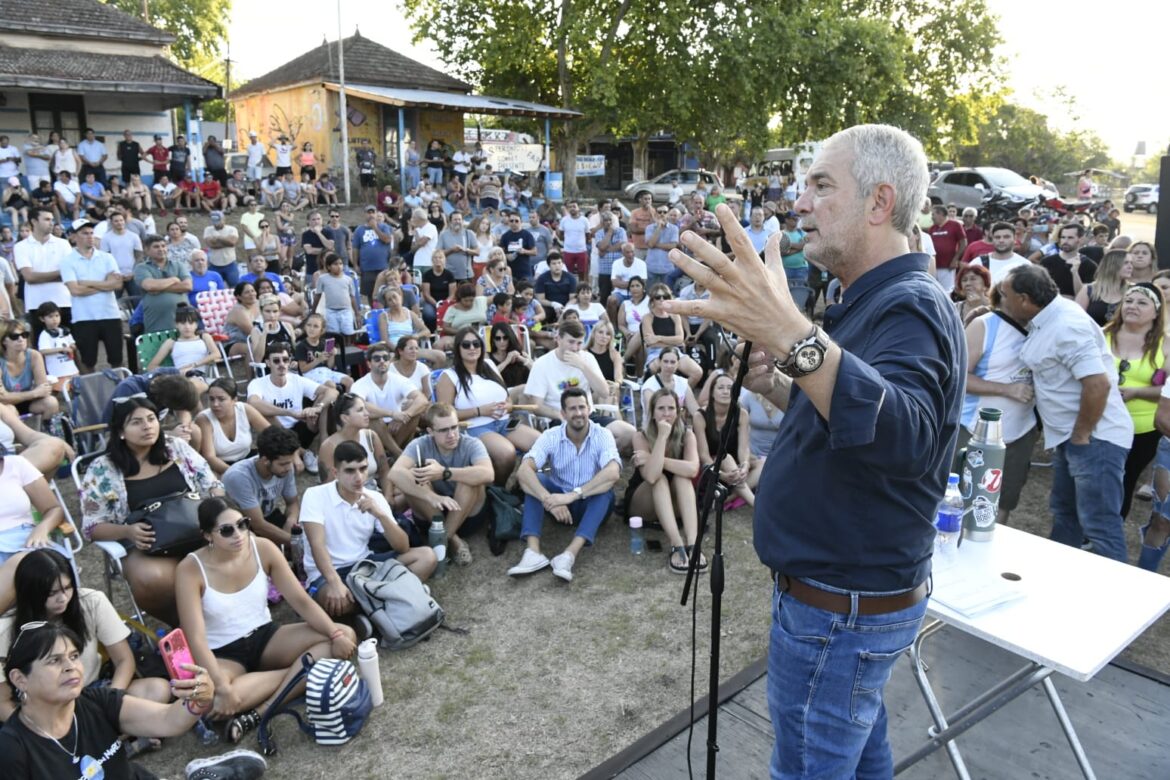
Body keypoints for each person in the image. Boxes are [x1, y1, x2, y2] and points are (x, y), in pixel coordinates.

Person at [662, 125, 965, 778]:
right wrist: (778, 375)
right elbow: (843, 424)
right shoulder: (865, 301)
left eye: (822, 185)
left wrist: (791, 332)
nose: (800, 202)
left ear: (880, 203)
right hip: (834, 608)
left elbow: (904, 435)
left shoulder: (910, 307)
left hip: (840, 615)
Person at [175, 497, 354, 745]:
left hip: (266, 637)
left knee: (344, 635)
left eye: (242, 524)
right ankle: (302, 671)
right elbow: (195, 638)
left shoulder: (263, 548)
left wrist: (334, 635)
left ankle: (260, 711)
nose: (238, 534)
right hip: (223, 655)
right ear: (207, 536)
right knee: (214, 698)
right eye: (227, 530)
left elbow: (301, 601)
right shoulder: (190, 568)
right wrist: (221, 685)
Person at [1001, 264, 1133, 562]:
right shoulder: (1046, 319)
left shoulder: (1066, 325)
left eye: (1006, 296)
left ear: (1024, 299)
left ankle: (1117, 600)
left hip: (1095, 440)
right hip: (1073, 439)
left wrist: (1081, 435)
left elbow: (1097, 384)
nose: (1004, 301)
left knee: (1099, 527)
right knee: (1065, 516)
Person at [0, 622, 229, 780]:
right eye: (54, 661)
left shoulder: (97, 701)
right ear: (20, 679)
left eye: (73, 656)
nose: (70, 667)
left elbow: (167, 720)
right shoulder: (12, 748)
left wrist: (196, 702)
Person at [79, 397, 224, 626]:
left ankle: (224, 615)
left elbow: (212, 485)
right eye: (136, 422)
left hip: (195, 529)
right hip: (147, 543)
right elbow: (92, 527)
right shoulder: (102, 469)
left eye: (151, 419)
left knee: (240, 541)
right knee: (154, 579)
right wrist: (127, 532)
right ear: (121, 432)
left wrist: (215, 509)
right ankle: (187, 626)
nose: (147, 426)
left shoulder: (174, 447)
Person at [0, 550, 172, 723]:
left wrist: (110, 700)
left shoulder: (91, 601)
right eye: (52, 593)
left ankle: (99, 734)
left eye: (67, 588)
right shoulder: (6, 632)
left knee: (157, 689)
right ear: (31, 592)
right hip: (45, 710)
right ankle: (114, 734)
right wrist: (37, 732)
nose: (62, 598)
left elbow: (124, 661)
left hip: (94, 692)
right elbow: (3, 702)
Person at [303, 440, 437, 618]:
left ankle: (373, 609)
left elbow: (402, 547)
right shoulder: (314, 496)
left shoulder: (374, 497)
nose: (358, 477)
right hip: (329, 572)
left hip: (365, 566)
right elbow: (316, 545)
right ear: (335, 473)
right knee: (335, 602)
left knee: (427, 557)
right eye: (350, 471)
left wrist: (380, 514)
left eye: (363, 468)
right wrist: (335, 582)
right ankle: (397, 598)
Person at [508, 388, 620, 582]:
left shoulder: (603, 435)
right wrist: (549, 499)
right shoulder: (551, 435)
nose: (578, 413)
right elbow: (524, 471)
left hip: (589, 501)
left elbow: (613, 472)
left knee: (606, 491)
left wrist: (573, 495)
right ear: (563, 413)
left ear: (589, 409)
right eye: (572, 408)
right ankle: (533, 551)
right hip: (558, 504)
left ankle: (569, 555)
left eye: (582, 407)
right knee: (536, 480)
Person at [389, 403, 494, 566]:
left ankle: (443, 540)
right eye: (444, 430)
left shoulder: (471, 443)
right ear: (430, 431)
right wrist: (431, 497)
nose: (451, 434)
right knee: (415, 475)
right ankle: (453, 539)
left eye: (454, 427)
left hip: (467, 514)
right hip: (432, 515)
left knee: (469, 478)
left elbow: (488, 474)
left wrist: (444, 472)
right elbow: (394, 473)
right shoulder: (420, 444)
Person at [436, 326, 540, 483]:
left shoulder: (489, 365)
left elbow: (507, 398)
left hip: (505, 422)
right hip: (474, 427)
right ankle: (498, 491)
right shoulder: (449, 376)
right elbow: (443, 414)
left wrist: (509, 406)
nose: (472, 348)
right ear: (458, 349)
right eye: (466, 345)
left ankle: (525, 482)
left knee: (542, 444)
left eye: (476, 344)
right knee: (506, 453)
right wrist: (479, 411)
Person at [1103, 283, 1169, 520]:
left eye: (1142, 302)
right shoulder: (1102, 335)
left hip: (1141, 428)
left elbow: (1167, 388)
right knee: (1094, 476)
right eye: (1129, 300)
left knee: (1124, 478)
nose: (1132, 306)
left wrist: (1137, 393)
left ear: (1157, 311)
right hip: (1099, 420)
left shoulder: (1166, 344)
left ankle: (1108, 531)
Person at [626, 387, 703, 574]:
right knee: (659, 479)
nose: (666, 413)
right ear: (652, 412)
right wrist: (662, 436)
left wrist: (655, 459)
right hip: (645, 502)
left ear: (678, 412)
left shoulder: (687, 434)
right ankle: (677, 545)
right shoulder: (640, 436)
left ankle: (693, 545)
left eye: (671, 408)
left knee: (682, 478)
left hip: (675, 502)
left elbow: (693, 469)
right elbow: (651, 475)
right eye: (661, 408)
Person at [246, 342, 338, 473]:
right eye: (276, 361)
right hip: (275, 434)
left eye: (285, 360)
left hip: (299, 430)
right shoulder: (258, 383)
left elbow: (332, 392)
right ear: (268, 363)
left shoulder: (296, 379)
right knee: (265, 412)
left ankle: (321, 441)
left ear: (289, 362)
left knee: (326, 396)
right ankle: (300, 452)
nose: (281, 364)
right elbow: (253, 403)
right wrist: (290, 413)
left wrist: (318, 407)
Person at [351, 341, 428, 457]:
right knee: (373, 418)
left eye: (385, 358)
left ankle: (391, 454)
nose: (382, 361)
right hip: (373, 431)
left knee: (414, 411)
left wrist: (406, 414)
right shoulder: (360, 384)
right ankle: (399, 454)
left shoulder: (398, 379)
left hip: (397, 427)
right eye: (377, 359)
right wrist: (392, 414)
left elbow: (422, 400)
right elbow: (359, 405)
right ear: (369, 364)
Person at [318, 394, 392, 496]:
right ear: (345, 418)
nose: (367, 413)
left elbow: (384, 471)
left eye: (365, 409)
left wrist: (387, 499)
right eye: (360, 410)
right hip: (345, 499)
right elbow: (328, 486)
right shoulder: (329, 446)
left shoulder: (371, 436)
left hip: (374, 494)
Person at [197, 377, 270, 477]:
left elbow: (272, 433)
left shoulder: (244, 409)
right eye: (211, 399)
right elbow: (210, 457)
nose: (215, 404)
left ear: (234, 400)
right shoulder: (204, 419)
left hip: (246, 459)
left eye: (221, 399)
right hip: (219, 465)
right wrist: (238, 472)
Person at [136, 233, 192, 334]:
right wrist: (174, 279)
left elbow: (187, 286)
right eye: (156, 247)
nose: (161, 249)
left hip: (183, 324)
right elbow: (149, 285)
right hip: (156, 324)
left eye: (163, 246)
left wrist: (158, 288)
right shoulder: (142, 268)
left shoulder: (178, 265)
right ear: (147, 250)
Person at [0, 319, 57, 417]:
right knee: (10, 410)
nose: (21, 339)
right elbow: (3, 398)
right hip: (6, 405)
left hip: (30, 403)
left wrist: (36, 393)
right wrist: (34, 393)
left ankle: (47, 429)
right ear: (4, 341)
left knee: (51, 402)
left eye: (24, 335)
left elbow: (44, 390)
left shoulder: (34, 356)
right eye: (14, 337)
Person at [296, 312, 353, 391]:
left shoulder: (324, 343)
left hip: (326, 372)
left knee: (349, 381)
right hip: (310, 374)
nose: (311, 328)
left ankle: (347, 402)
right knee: (331, 385)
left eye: (315, 326)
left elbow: (329, 366)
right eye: (309, 325)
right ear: (305, 327)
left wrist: (332, 355)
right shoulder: (301, 346)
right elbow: (303, 369)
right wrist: (318, 359)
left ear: (322, 330)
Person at [1075, 248, 1132, 327]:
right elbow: (1076, 319)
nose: (1130, 266)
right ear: (1112, 265)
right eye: (1126, 263)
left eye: (1131, 263)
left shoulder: (1132, 291)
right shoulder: (1088, 290)